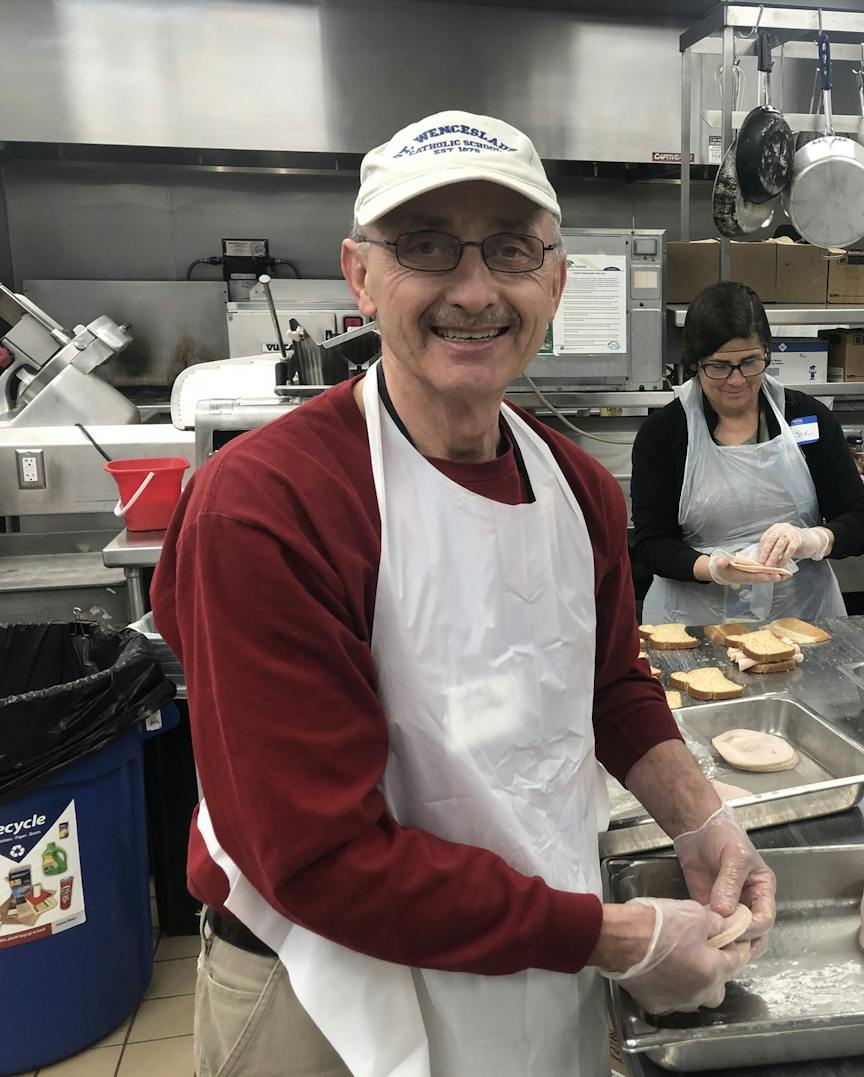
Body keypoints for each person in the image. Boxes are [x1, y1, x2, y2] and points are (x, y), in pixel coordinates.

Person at [151, 110, 775, 1077]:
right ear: (362, 277)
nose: (475, 289)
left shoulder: (577, 486)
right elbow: (316, 859)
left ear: (555, 282)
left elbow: (609, 683)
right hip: (327, 988)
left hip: (531, 963)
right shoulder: (268, 507)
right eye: (426, 247)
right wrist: (617, 939)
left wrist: (704, 819)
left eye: (512, 249)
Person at [632, 281, 864, 625]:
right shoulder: (664, 434)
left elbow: (861, 524)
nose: (736, 380)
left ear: (767, 353)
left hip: (800, 620)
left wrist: (811, 540)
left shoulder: (806, 417)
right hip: (694, 623)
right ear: (695, 363)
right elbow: (652, 544)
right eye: (718, 366)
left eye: (750, 362)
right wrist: (713, 568)